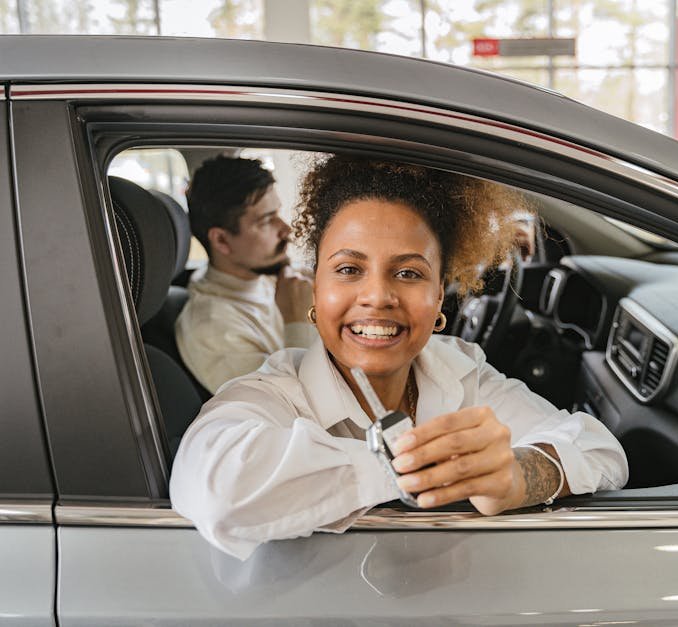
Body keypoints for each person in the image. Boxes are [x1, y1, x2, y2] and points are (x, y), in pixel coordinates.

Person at [170, 156, 628, 560]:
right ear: (316, 288)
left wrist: (518, 474)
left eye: (408, 273)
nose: (377, 296)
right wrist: (420, 472)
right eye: (349, 269)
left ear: (440, 296)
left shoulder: (458, 368)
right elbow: (216, 487)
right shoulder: (272, 390)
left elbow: (602, 450)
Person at [175, 155, 316, 393]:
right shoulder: (211, 329)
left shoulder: (268, 274)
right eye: (266, 221)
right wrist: (298, 320)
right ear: (222, 240)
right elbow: (292, 406)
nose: (286, 229)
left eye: (278, 213)